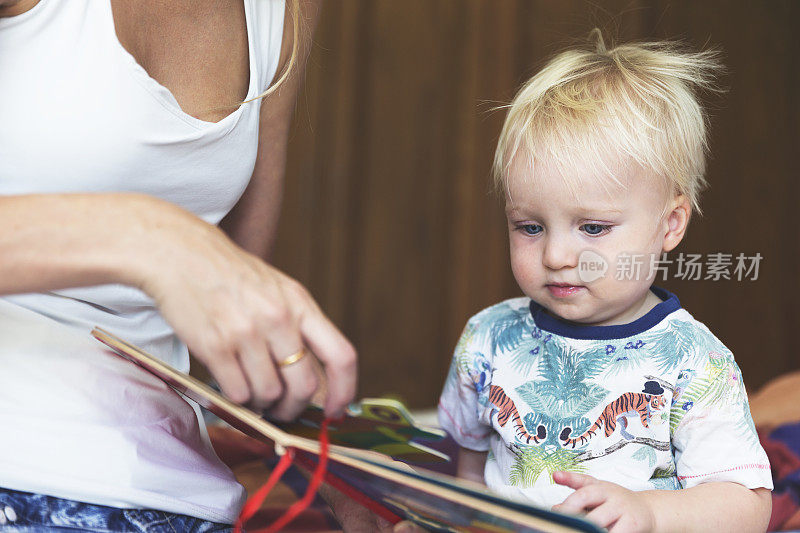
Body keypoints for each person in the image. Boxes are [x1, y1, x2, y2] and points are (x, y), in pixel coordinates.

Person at [0, 0, 356, 530]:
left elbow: (233, 304)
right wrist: (150, 238)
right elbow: (185, 256)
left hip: (176, 496)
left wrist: (335, 460)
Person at [437, 31, 773, 532]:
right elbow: (469, 477)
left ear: (670, 225)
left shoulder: (694, 361)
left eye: (593, 228)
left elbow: (748, 506)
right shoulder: (486, 339)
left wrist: (648, 513)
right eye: (530, 227)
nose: (555, 255)